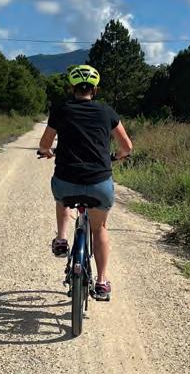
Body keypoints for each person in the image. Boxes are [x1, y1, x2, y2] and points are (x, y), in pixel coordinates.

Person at [37, 64, 133, 302]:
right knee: (99, 229)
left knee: (62, 198)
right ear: (95, 89)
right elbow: (127, 147)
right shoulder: (107, 111)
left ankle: (61, 239)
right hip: (99, 183)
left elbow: (44, 144)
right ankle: (101, 283)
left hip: (66, 180)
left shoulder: (61, 110)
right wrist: (117, 156)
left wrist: (48, 152)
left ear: (72, 89)